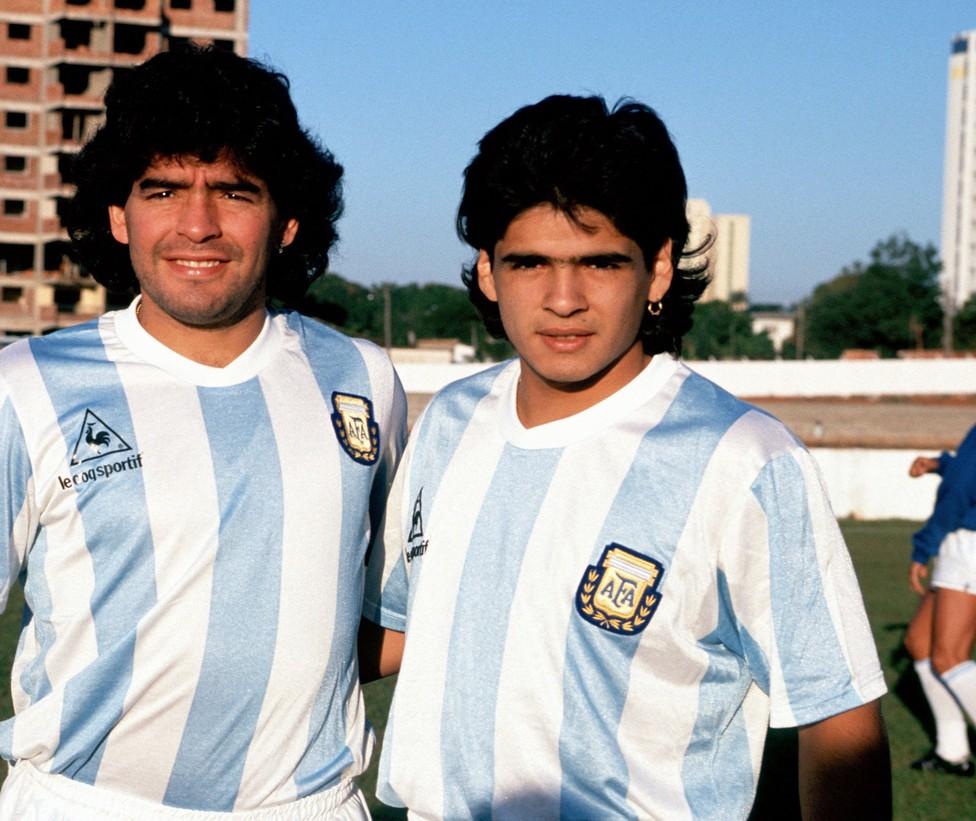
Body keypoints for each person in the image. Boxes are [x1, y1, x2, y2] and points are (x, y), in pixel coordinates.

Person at [0, 46, 405, 820]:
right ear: (119, 216)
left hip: (309, 806)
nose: (198, 224)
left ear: (287, 221)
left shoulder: (361, 378)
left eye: (234, 192)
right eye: (164, 190)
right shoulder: (22, 385)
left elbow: (390, 610)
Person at [359, 95, 890, 819]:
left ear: (659, 269)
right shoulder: (451, 421)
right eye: (529, 262)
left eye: (600, 262)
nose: (564, 299)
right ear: (487, 270)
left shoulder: (743, 459)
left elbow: (839, 718)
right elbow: (400, 628)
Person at [903, 426, 976, 776]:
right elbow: (967, 471)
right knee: (920, 642)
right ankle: (952, 752)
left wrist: (924, 547)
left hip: (968, 545)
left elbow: (960, 489)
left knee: (949, 657)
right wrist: (940, 464)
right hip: (964, 545)